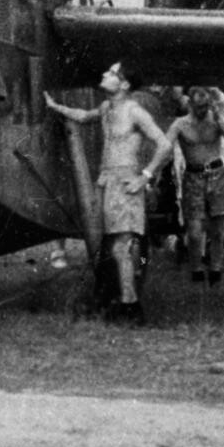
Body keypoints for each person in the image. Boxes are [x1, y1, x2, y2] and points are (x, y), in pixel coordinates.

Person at [47, 61, 172, 322]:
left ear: (124, 84)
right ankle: (112, 298)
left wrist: (144, 177)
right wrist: (54, 106)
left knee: (122, 247)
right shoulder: (106, 107)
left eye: (112, 73)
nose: (105, 74)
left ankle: (130, 306)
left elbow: (163, 144)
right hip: (106, 180)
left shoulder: (135, 112)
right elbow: (83, 116)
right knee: (107, 245)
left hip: (126, 180)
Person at [168, 86, 224, 283]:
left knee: (218, 229)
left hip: (217, 175)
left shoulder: (216, 119)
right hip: (193, 177)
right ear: (190, 104)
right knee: (194, 231)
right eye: (198, 106)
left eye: (205, 106)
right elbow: (164, 145)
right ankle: (196, 268)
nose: (202, 110)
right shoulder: (181, 124)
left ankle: (216, 270)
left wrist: (220, 121)